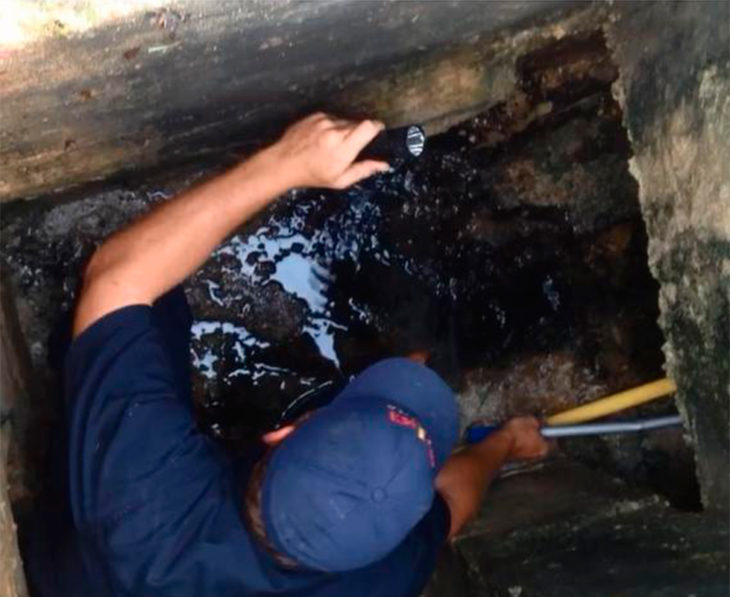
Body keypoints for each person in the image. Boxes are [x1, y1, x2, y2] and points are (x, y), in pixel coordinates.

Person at [47, 113, 549, 596]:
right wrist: (505, 444)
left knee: (135, 316)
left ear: (282, 430)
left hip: (94, 545)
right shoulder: (382, 577)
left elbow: (116, 279)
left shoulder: (145, 499)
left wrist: (286, 164)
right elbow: (452, 507)